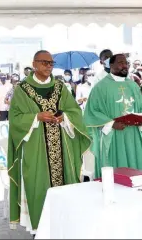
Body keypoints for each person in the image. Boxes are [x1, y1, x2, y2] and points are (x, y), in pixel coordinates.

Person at [7, 50, 91, 236]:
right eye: (44, 62)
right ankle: (42, 229)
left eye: (51, 63)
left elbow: (74, 111)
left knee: (65, 188)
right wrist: (36, 116)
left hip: (63, 145)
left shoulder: (61, 87)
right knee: (38, 184)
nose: (48, 66)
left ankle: (65, 226)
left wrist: (64, 118)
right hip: (36, 147)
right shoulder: (22, 89)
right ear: (34, 63)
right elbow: (15, 118)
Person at [84, 54, 142, 178]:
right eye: (121, 63)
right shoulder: (100, 87)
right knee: (115, 172)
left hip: (133, 134)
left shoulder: (133, 85)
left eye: (126, 63)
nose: (124, 66)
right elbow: (92, 111)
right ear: (111, 65)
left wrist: (141, 119)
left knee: (136, 170)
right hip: (113, 135)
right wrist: (111, 123)